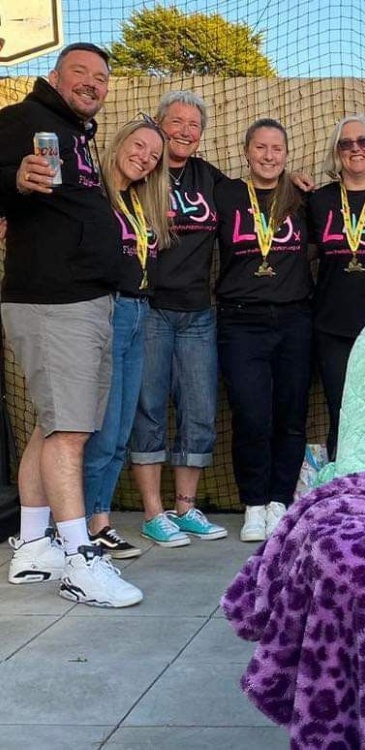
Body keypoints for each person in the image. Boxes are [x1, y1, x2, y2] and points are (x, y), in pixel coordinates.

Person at [0, 43, 142, 607]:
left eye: (101, 77)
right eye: (80, 73)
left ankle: (34, 545)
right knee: (71, 432)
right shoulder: (22, 121)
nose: (92, 83)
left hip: (83, 298)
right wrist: (13, 179)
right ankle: (81, 560)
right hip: (52, 301)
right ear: (53, 76)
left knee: (54, 422)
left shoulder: (75, 132)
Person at [126, 91, 229, 549]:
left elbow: (260, 200)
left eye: (193, 125)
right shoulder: (141, 174)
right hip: (148, 308)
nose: (185, 131)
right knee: (148, 408)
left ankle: (186, 508)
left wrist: (301, 184)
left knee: (200, 410)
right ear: (158, 125)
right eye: (176, 122)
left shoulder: (211, 179)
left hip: (198, 314)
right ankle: (153, 512)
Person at [215, 118, 312, 542]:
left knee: (291, 416)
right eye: (261, 148)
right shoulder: (227, 194)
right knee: (251, 414)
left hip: (295, 319)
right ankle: (254, 504)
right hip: (241, 320)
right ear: (246, 152)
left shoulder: (302, 197)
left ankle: (280, 502)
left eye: (277, 148)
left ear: (287, 154)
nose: (269, 156)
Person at [82, 118, 174, 561]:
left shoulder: (140, 201)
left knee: (120, 431)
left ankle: (98, 522)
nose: (144, 157)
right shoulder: (92, 194)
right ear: (120, 143)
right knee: (99, 430)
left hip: (140, 312)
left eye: (154, 155)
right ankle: (81, 525)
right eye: (139, 146)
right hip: (107, 311)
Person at [307, 115, 365, 460]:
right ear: (336, 153)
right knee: (341, 415)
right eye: (346, 144)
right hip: (333, 325)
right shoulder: (318, 201)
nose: (355, 149)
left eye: (363, 141)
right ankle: (341, 495)